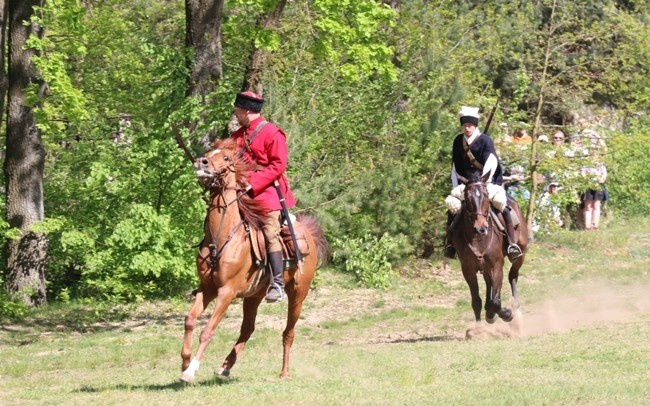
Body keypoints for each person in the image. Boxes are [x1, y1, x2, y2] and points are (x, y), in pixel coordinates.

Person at [230, 91, 294, 302]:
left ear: (247, 111)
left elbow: (278, 165)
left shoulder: (272, 133)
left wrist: (253, 182)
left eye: (238, 110)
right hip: (240, 193)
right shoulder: (237, 136)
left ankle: (277, 283)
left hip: (267, 191)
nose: (236, 114)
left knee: (269, 231)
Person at [443, 106, 524, 261]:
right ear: (462, 126)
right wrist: (456, 187)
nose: (468, 128)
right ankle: (450, 244)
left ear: (475, 125)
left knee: (502, 205)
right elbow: (455, 166)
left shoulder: (485, 141)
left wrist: (483, 182)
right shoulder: (457, 141)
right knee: (452, 206)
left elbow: (491, 162)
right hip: (467, 184)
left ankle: (512, 244)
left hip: (488, 181)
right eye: (465, 125)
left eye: (470, 125)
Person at [580, 155, 608, 230]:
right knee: (588, 207)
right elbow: (583, 174)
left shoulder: (601, 164)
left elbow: (604, 174)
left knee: (596, 205)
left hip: (598, 186)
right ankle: (587, 226)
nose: (594, 156)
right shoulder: (585, 164)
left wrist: (600, 180)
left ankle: (595, 225)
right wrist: (588, 181)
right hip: (588, 186)